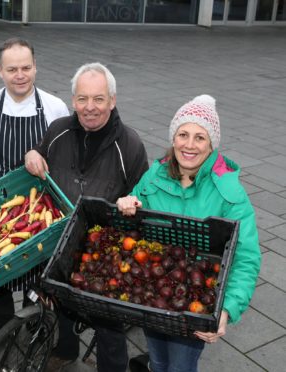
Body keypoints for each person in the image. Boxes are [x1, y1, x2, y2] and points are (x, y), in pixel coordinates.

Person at [116, 94, 261, 372]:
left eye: (200, 137)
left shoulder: (229, 194)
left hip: (197, 297)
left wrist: (226, 310)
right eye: (183, 134)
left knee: (180, 367)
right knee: (158, 359)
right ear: (173, 138)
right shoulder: (154, 176)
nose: (189, 145)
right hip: (153, 289)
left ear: (211, 145)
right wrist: (127, 203)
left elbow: (246, 257)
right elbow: (134, 205)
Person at [25, 62, 149, 371]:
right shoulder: (57, 131)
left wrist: (133, 203)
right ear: (73, 100)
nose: (89, 107)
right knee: (62, 302)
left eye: (98, 98)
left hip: (103, 253)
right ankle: (66, 349)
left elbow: (144, 197)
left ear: (112, 100)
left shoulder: (130, 145)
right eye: (82, 98)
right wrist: (31, 155)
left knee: (109, 328)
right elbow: (38, 154)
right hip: (59, 241)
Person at [0, 37, 69, 350]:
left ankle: (37, 315)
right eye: (12, 69)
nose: (20, 74)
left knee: (37, 265)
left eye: (26, 67)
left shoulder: (55, 107)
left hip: (39, 205)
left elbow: (60, 157)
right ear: (0, 71)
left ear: (35, 67)